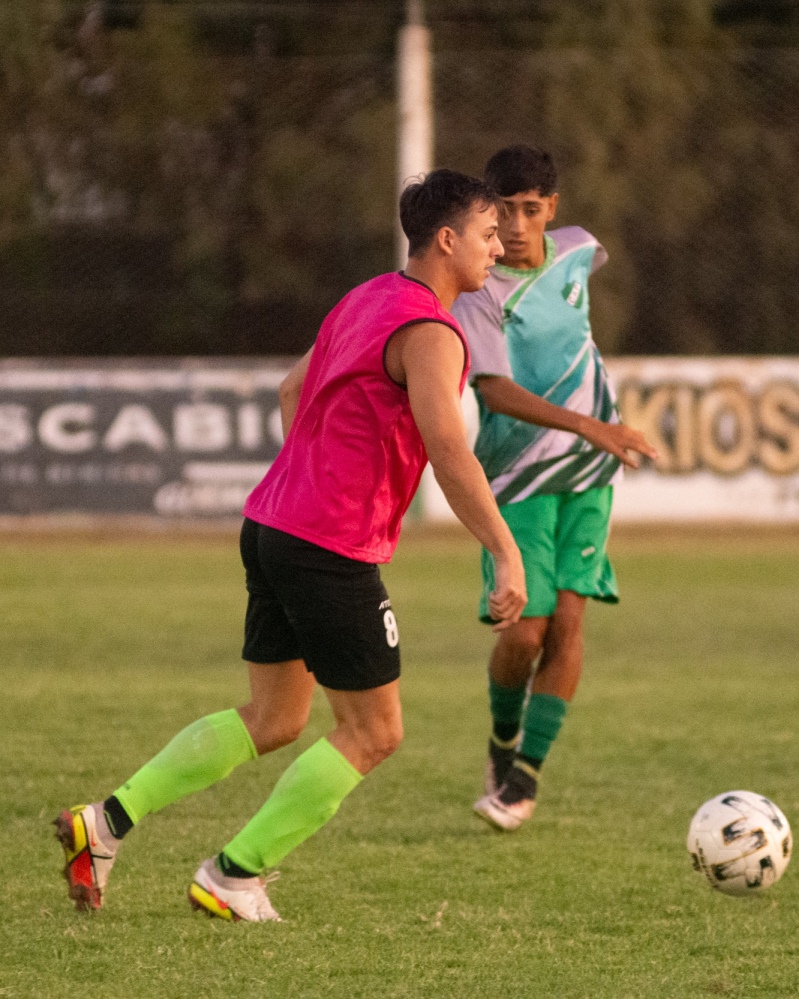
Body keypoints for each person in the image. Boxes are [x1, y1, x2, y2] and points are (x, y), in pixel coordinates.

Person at [55, 169, 528, 921]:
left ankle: (103, 824)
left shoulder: (366, 298)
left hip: (273, 524)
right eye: (487, 232)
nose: (499, 246)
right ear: (447, 240)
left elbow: (288, 390)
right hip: (329, 543)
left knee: (274, 720)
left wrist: (309, 481)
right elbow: (448, 445)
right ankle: (234, 874)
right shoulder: (433, 332)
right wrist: (505, 549)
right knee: (375, 732)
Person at [451, 145, 656, 832]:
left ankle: (522, 783)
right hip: (515, 478)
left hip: (590, 474)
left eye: (529, 209)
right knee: (523, 632)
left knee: (569, 619)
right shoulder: (480, 292)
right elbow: (495, 390)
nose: (514, 225)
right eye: (501, 210)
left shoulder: (578, 251)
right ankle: (501, 740)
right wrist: (588, 423)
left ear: (552, 210)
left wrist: (596, 434)